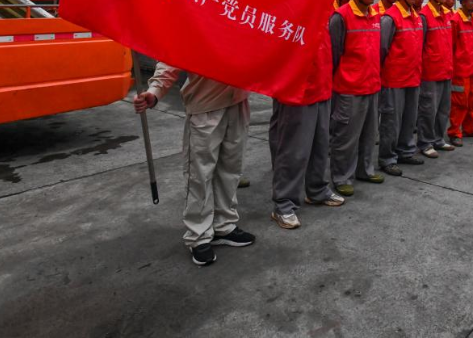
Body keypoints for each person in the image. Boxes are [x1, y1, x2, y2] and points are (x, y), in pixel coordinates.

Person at [134, 66, 255, 266]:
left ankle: (224, 224)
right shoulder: (193, 32)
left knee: (230, 170)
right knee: (199, 174)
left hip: (238, 102)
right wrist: (154, 91)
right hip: (205, 106)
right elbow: (170, 57)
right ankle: (199, 235)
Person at [268, 16, 345, 230]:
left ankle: (317, 189)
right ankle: (283, 203)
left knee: (320, 146)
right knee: (293, 150)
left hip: (321, 86)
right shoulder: (292, 8)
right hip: (297, 90)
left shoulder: (324, 12)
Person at [329, 0, 384, 197]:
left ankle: (365, 169)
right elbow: (333, 54)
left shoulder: (374, 16)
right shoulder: (341, 17)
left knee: (368, 134)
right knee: (346, 136)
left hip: (371, 85)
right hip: (349, 89)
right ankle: (341, 176)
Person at [378, 0, 425, 176]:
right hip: (394, 79)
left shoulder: (415, 16)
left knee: (409, 117)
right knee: (391, 120)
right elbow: (382, 49)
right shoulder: (390, 18)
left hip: (413, 77)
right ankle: (387, 158)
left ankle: (406, 150)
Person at [417, 0, 455, 156]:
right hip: (430, 72)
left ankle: (439, 139)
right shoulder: (424, 16)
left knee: (443, 109)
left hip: (446, 69)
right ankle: (425, 143)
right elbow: (419, 45)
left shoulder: (447, 15)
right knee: (428, 110)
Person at [447, 0, 473, 146]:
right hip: (460, 72)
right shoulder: (455, 21)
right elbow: (451, 47)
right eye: (472, 1)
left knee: (471, 101)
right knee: (459, 103)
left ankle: (469, 128)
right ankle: (455, 132)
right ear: (463, 2)